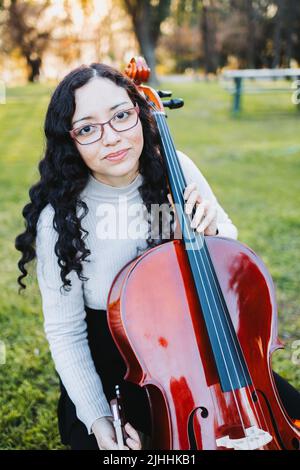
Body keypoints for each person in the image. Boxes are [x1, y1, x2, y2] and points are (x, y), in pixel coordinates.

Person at [15, 63, 299, 450]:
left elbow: (230, 254)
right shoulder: (60, 218)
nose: (111, 138)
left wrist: (211, 232)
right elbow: (66, 334)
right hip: (122, 371)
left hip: (202, 349)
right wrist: (100, 422)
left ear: (139, 111)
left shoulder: (175, 167)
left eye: (120, 116)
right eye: (87, 128)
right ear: (70, 141)